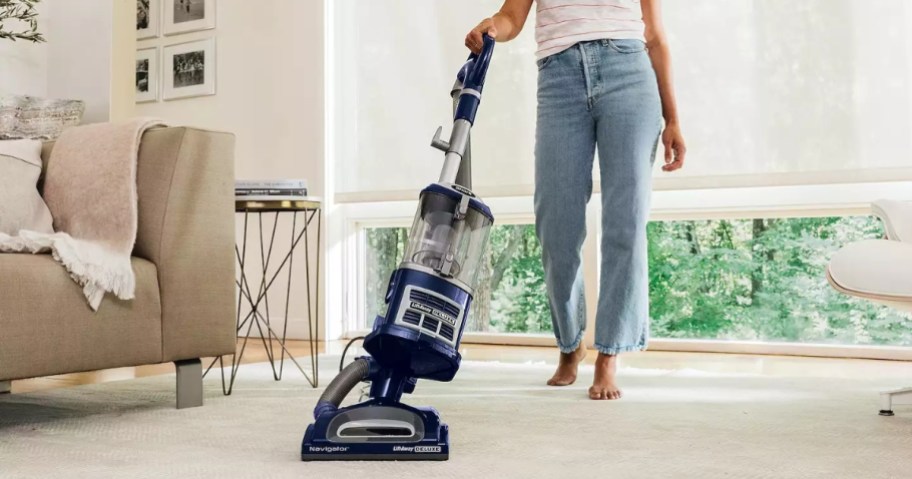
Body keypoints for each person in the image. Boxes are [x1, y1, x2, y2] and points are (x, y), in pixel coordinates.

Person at [466, 0, 686, 400]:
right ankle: (570, 342)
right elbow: (512, 17)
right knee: (557, 224)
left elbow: (654, 36)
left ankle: (609, 353)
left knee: (626, 221)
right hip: (559, 78)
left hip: (629, 74)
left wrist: (672, 119)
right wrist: (492, 26)